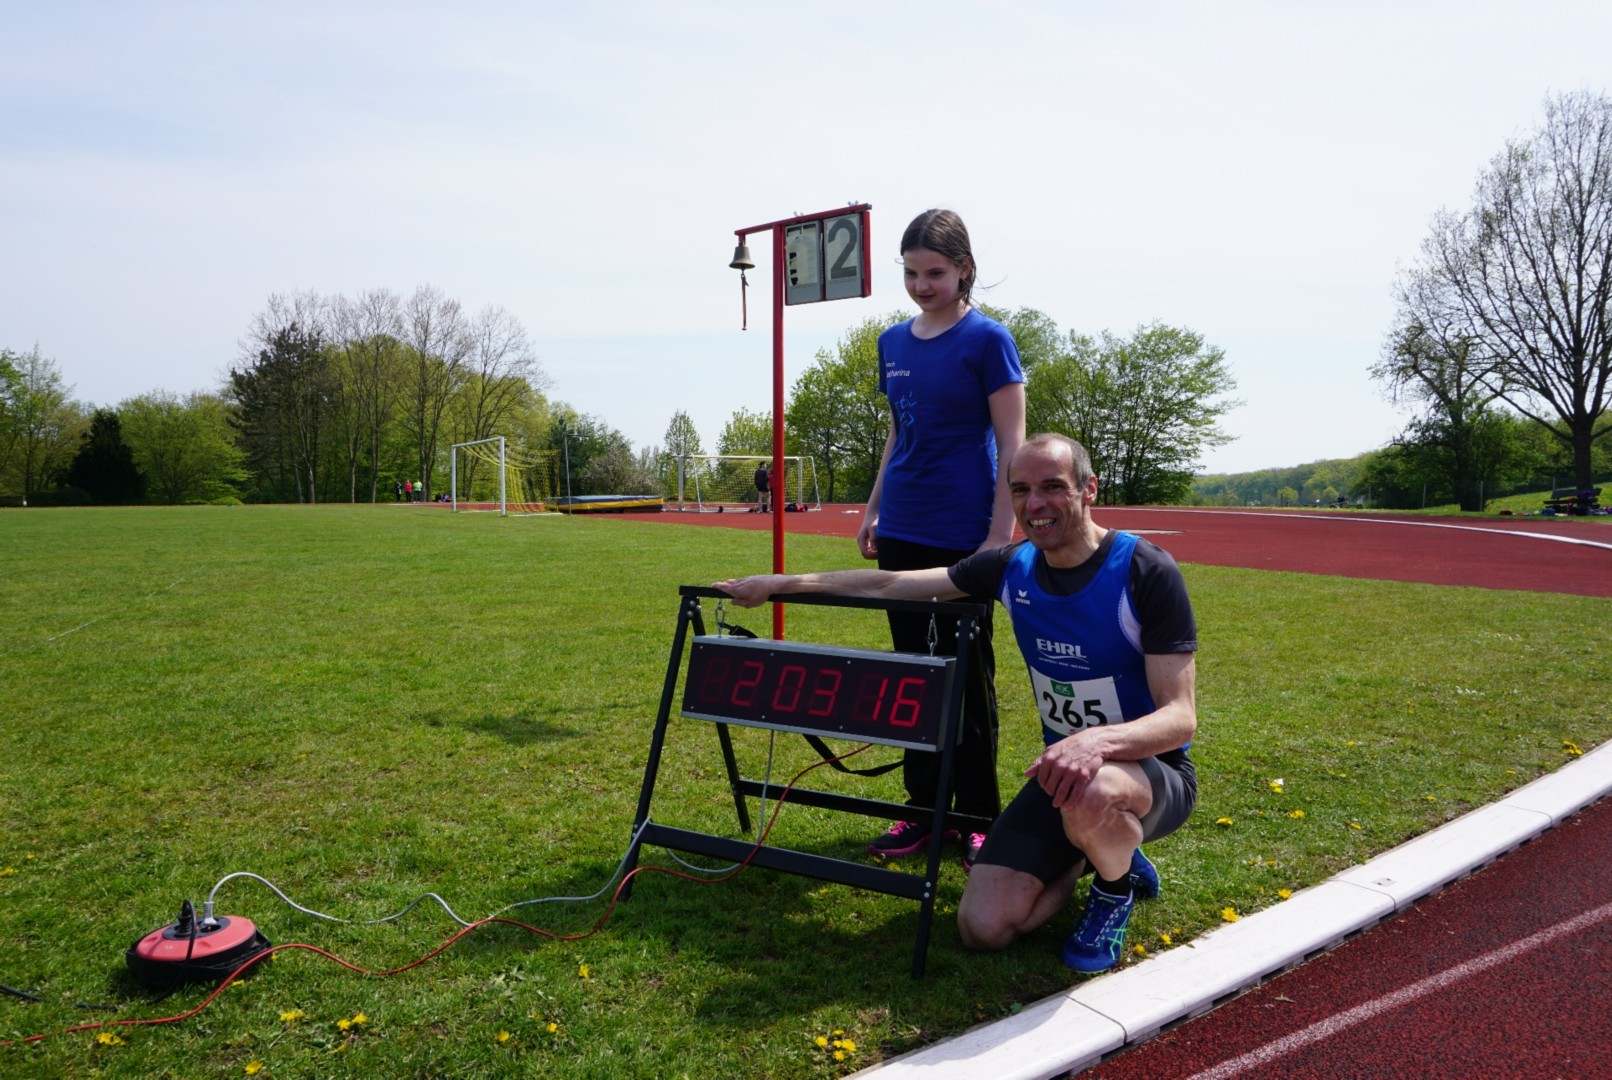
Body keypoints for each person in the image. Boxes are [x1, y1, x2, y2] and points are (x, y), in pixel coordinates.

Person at [715, 435, 1198, 972]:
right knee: (983, 927)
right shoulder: (1011, 566)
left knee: (1095, 788)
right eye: (1021, 490)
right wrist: (781, 584)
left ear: (1089, 489)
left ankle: (1115, 890)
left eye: (1052, 487)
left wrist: (1094, 742)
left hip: (1152, 777)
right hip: (1063, 779)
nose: (1034, 504)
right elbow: (890, 585)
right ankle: (1104, 852)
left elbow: (1180, 719)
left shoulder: (1144, 570)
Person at [856, 208, 1026, 869]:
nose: (922, 286)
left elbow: (1012, 441)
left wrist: (998, 534)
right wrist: (873, 509)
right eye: (910, 273)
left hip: (964, 534)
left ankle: (980, 817)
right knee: (913, 680)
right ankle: (924, 812)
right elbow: (898, 433)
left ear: (964, 270)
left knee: (967, 680)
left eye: (934, 272)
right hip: (902, 526)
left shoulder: (989, 340)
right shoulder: (892, 343)